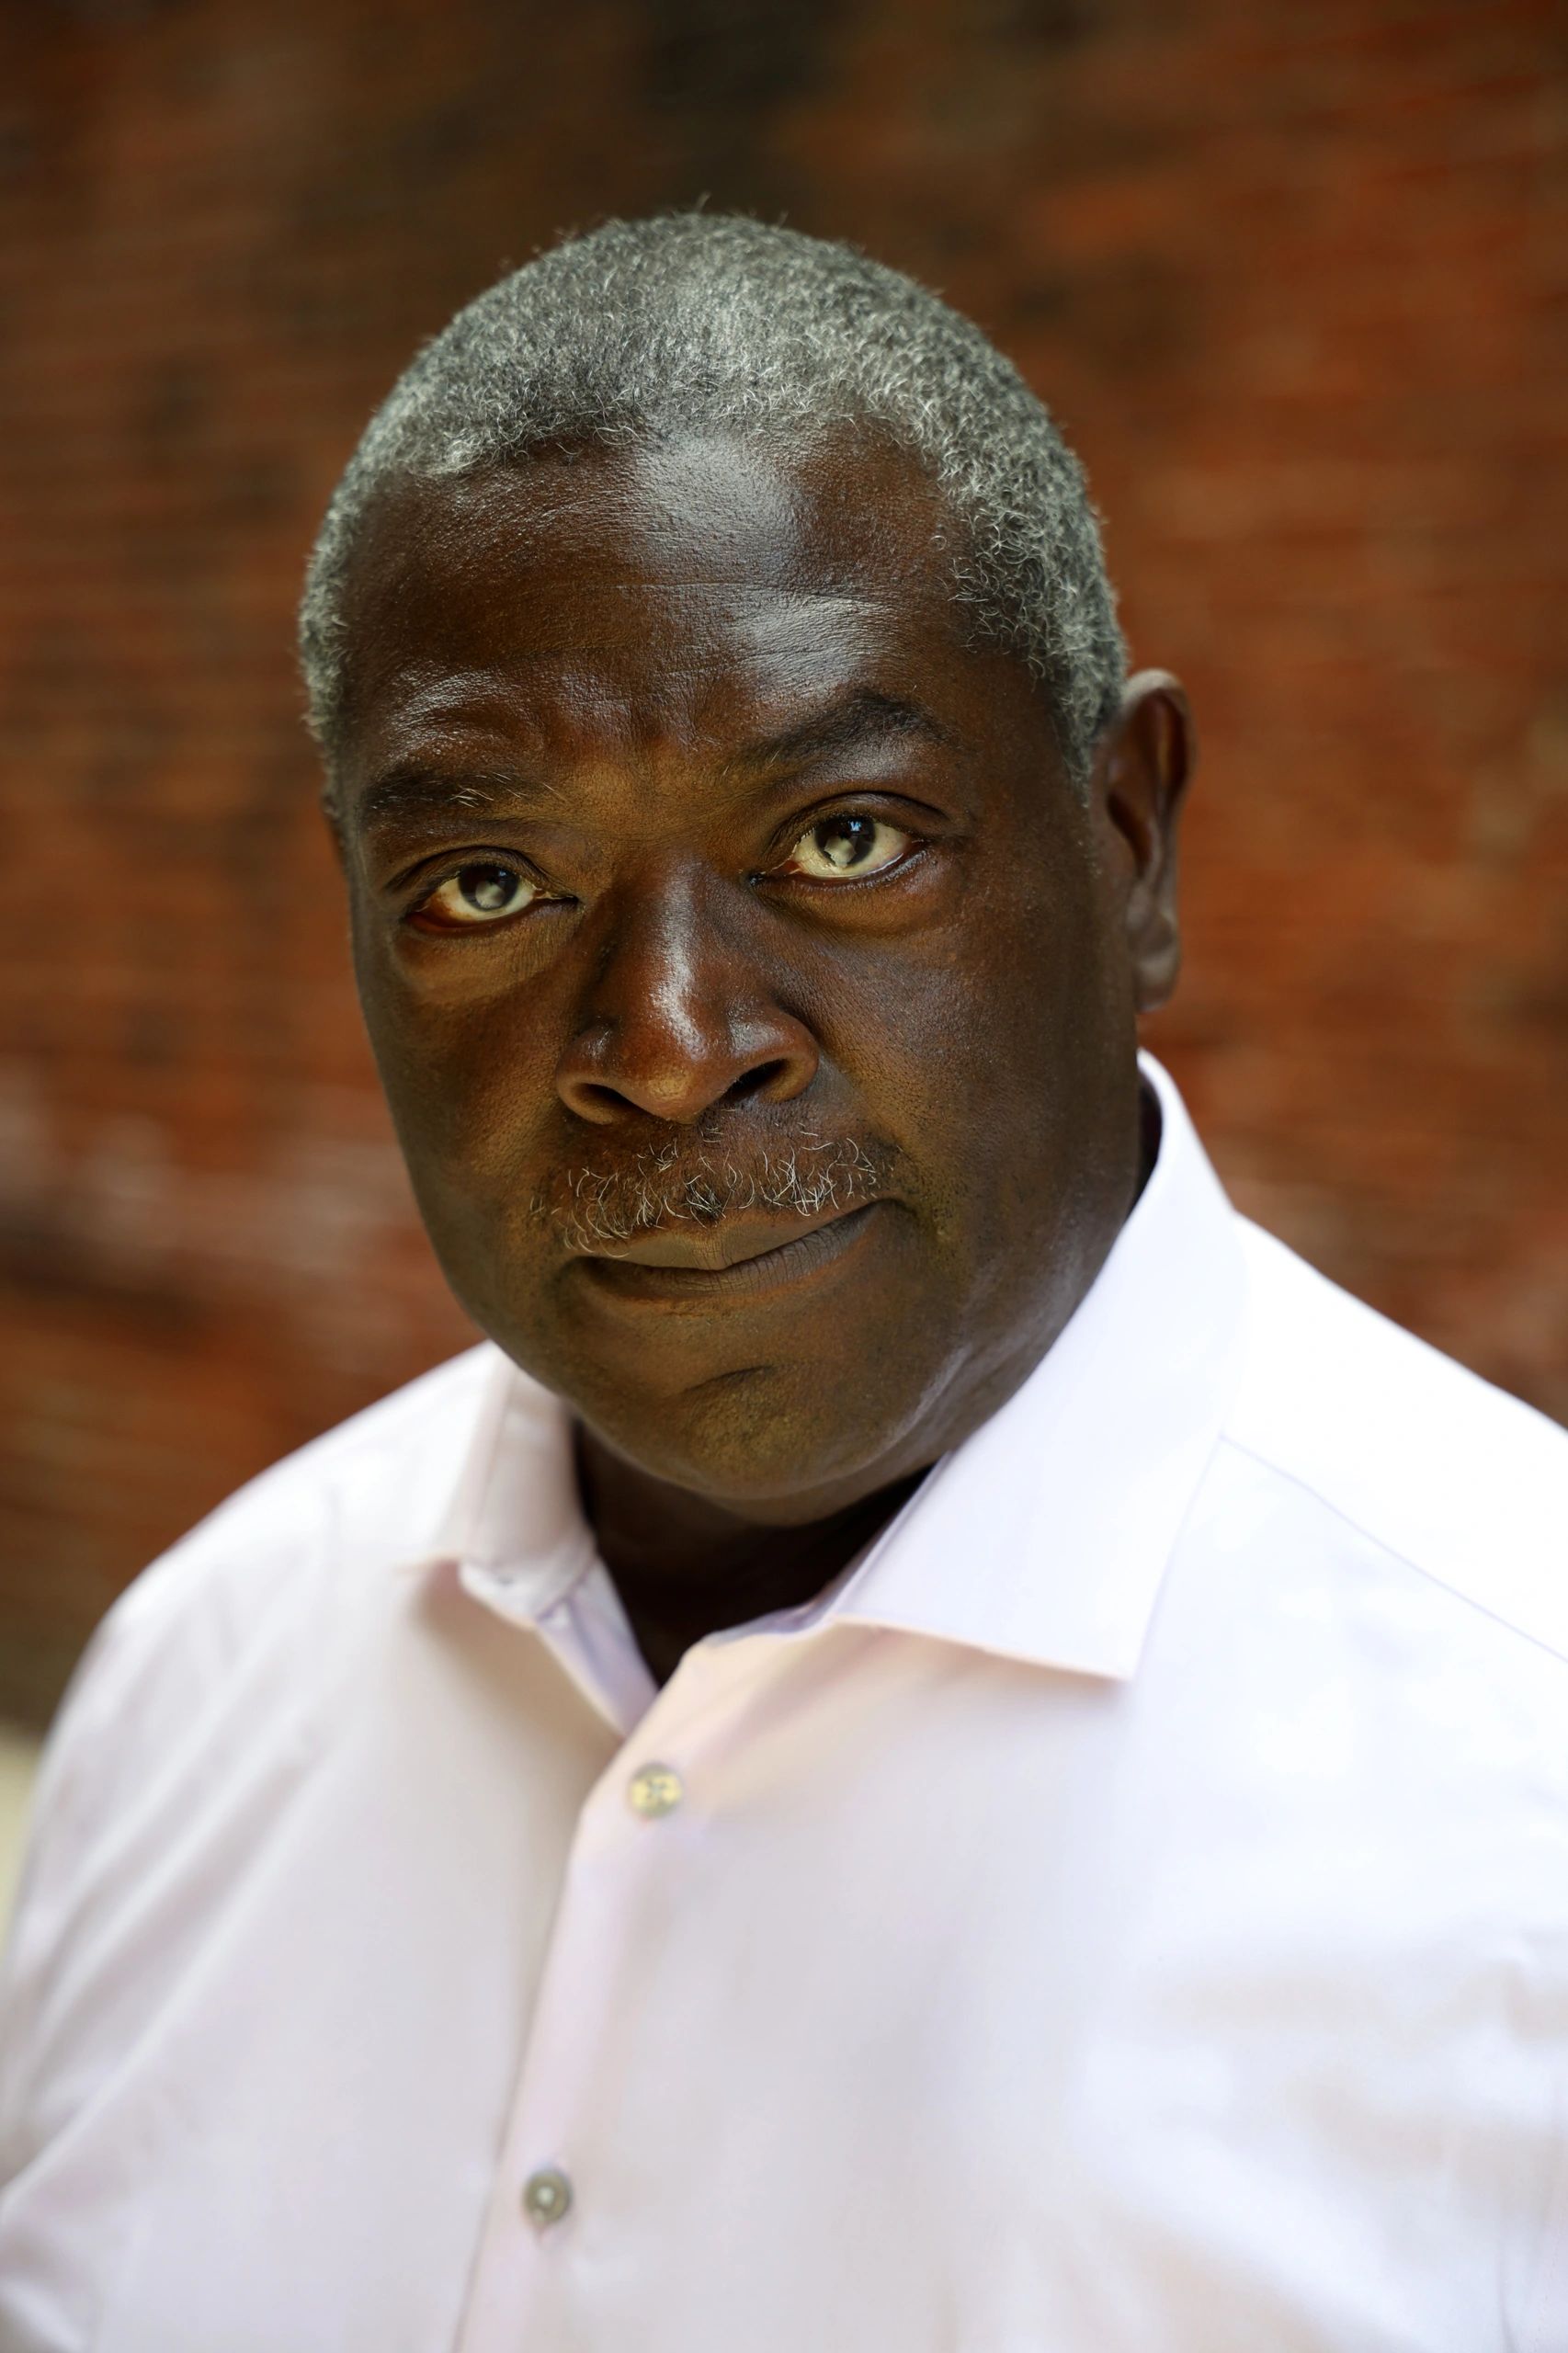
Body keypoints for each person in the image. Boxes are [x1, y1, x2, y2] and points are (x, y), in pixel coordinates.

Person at [1, 213, 1564, 2353]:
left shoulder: (1520, 1766)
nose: (660, 1036)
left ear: (1126, 846)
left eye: (842, 837)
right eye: (486, 879)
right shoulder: (197, 1674)